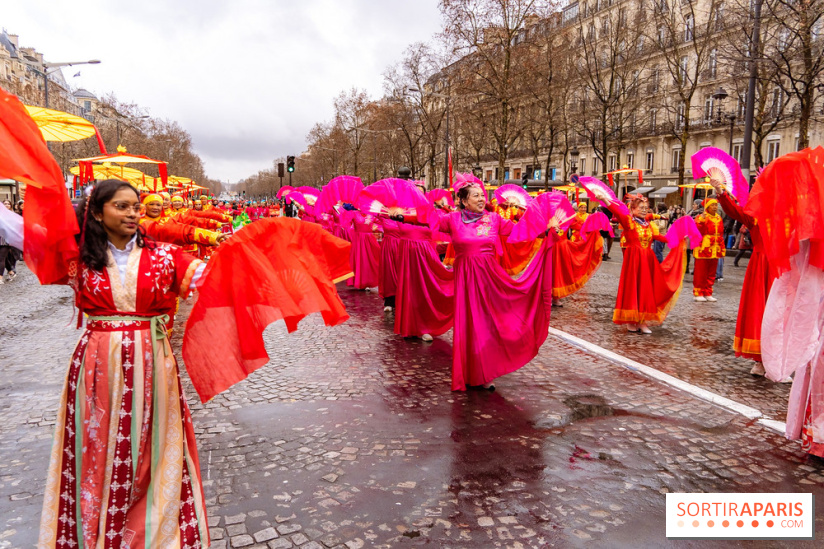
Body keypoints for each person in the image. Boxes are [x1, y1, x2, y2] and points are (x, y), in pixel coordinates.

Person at [1, 180, 212, 546]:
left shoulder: (165, 255)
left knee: (153, 443)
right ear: (97, 213)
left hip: (153, 362)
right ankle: (98, 527)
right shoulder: (77, 257)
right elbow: (18, 231)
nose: (134, 213)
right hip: (97, 364)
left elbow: (212, 278)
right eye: (122, 206)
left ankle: (156, 533)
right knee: (97, 443)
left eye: (136, 206)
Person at [428, 181, 560, 390]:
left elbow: (520, 233)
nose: (481, 199)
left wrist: (546, 230)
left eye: (482, 195)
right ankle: (468, 372)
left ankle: (484, 371)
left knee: (487, 323)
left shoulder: (494, 219)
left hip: (489, 279)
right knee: (469, 323)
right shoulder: (452, 219)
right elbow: (428, 221)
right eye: (476, 196)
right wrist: (412, 206)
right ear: (463, 201)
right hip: (465, 279)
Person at [709, 175, 778, 374]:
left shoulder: (789, 215)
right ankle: (761, 361)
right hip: (763, 267)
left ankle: (776, 360)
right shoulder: (755, 215)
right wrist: (721, 192)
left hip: (783, 268)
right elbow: (735, 211)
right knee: (761, 311)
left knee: (780, 314)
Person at [600, 193, 689, 334]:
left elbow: (659, 237)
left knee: (646, 290)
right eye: (641, 207)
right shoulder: (629, 222)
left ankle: (642, 321)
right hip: (634, 261)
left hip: (648, 260)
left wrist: (678, 238)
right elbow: (617, 211)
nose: (644, 210)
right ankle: (631, 320)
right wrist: (604, 199)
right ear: (633, 209)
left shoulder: (648, 224)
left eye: (646, 208)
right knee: (633, 289)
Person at [692, 198, 725, 302]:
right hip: (704, 247)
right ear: (707, 207)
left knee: (711, 272)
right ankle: (698, 292)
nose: (715, 207)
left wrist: (722, 246)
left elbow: (721, 233)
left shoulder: (719, 218)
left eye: (716, 205)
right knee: (701, 272)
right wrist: (701, 221)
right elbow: (697, 231)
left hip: (715, 247)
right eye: (713, 205)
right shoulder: (701, 217)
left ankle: (708, 292)